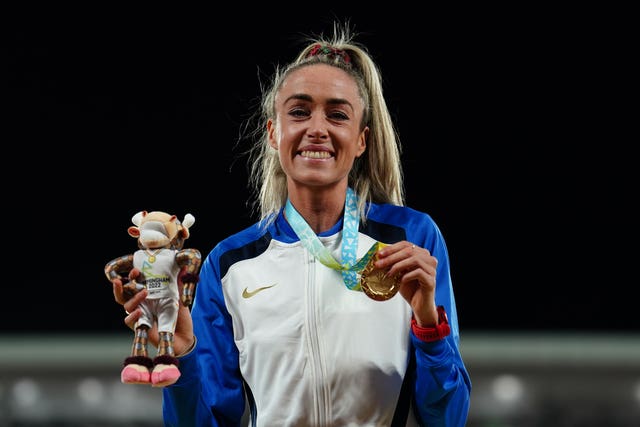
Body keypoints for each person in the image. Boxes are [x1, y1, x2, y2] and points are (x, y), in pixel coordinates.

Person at [113, 22, 471, 426]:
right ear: (273, 132)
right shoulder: (229, 264)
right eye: (299, 112)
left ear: (361, 141)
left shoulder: (410, 239)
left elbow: (448, 418)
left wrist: (428, 324)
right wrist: (182, 356)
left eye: (337, 115)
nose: (316, 129)